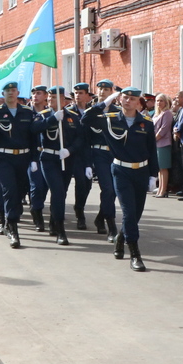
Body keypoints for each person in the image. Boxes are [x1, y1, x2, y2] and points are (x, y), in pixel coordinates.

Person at [102, 87, 159, 271]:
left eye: (132, 98)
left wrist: (153, 175)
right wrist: (105, 102)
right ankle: (135, 254)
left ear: (138, 102)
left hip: (141, 172)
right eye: (125, 97)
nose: (128, 101)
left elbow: (152, 151)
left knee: (136, 214)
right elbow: (86, 119)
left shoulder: (146, 123)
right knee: (128, 212)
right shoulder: (110, 120)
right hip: (121, 170)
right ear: (120, 100)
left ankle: (120, 237)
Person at [0, 81, 38, 248]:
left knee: (20, 191)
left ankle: (9, 217)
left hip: (23, 158)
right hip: (4, 158)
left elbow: (33, 138)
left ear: (18, 92)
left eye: (13, 90)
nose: (11, 93)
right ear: (3, 94)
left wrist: (34, 158)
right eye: (8, 91)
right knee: (9, 190)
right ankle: (12, 227)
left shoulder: (27, 112)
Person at [34, 86, 83, 244]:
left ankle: (53, 221)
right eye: (49, 97)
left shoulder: (73, 117)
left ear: (63, 100)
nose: (50, 100)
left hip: (67, 159)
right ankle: (61, 230)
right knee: (58, 191)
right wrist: (53, 118)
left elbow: (80, 138)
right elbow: (34, 129)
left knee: (62, 192)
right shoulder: (43, 115)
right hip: (48, 159)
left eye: (54, 97)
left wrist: (70, 150)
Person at [80, 80, 121, 240]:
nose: (103, 91)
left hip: (115, 155)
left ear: (112, 91)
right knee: (108, 189)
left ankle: (100, 217)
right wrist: (87, 163)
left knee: (115, 190)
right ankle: (111, 225)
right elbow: (85, 125)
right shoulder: (92, 111)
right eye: (100, 89)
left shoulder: (118, 111)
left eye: (106, 89)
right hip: (99, 154)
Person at [69, 83, 95, 228]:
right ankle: (80, 214)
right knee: (79, 182)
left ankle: (79, 206)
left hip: (89, 152)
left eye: (81, 93)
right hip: (74, 153)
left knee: (87, 184)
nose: (78, 95)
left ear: (87, 95)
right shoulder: (68, 112)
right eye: (76, 93)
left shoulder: (91, 112)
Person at [27, 85, 51, 232]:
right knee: (36, 186)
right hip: (31, 154)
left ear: (45, 96)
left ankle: (36, 207)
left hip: (47, 154)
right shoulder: (26, 113)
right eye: (34, 93)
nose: (36, 96)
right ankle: (38, 215)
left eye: (39, 93)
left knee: (45, 186)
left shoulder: (49, 114)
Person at [153, 93, 175, 198]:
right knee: (159, 168)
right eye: (157, 100)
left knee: (164, 168)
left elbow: (164, 128)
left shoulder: (167, 113)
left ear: (166, 102)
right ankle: (160, 189)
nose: (159, 103)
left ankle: (163, 190)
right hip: (157, 143)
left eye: (161, 100)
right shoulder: (157, 114)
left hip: (164, 143)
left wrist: (155, 138)